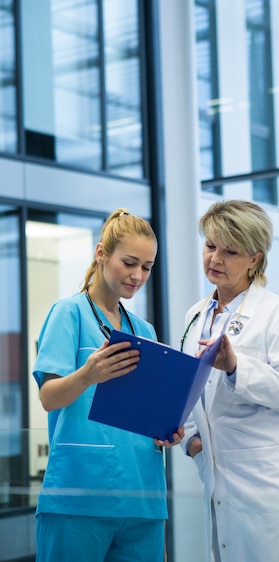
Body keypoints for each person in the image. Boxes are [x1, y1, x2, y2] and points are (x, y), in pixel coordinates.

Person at [180, 200, 279, 562]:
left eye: (230, 251)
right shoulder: (195, 315)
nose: (215, 258)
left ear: (254, 259)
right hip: (218, 481)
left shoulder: (276, 313)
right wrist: (191, 443)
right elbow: (190, 392)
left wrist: (235, 367)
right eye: (210, 245)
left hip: (271, 485)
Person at [32, 208, 183, 562]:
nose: (137, 275)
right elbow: (48, 398)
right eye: (129, 263)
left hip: (142, 496)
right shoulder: (68, 314)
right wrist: (88, 375)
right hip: (79, 494)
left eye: (146, 267)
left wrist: (168, 428)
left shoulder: (144, 332)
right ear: (101, 253)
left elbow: (148, 414)